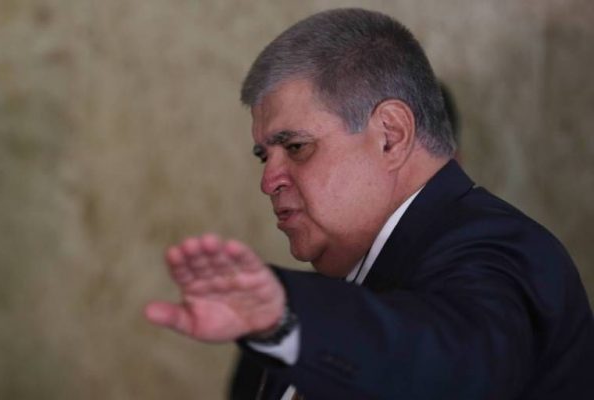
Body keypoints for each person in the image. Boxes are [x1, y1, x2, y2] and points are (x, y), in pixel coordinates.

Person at [145, 8, 594, 400]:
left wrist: (287, 322)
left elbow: (447, 367)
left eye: (297, 147)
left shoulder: (501, 253)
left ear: (390, 136)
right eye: (265, 156)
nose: (268, 182)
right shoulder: (328, 293)